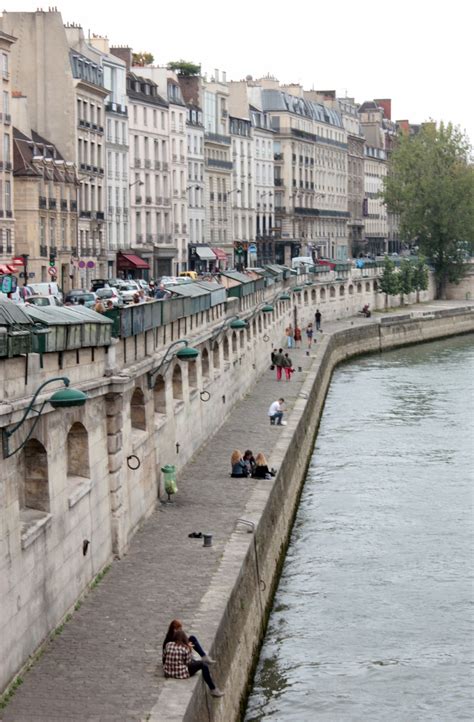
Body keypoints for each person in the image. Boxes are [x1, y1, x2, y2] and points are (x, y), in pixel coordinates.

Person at [163, 629, 224, 697]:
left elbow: (164, 657)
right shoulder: (185, 648)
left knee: (192, 638)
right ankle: (213, 689)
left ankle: (204, 657)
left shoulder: (168, 645)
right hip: (181, 673)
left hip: (168, 672)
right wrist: (189, 649)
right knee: (203, 665)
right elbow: (188, 663)